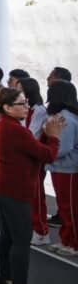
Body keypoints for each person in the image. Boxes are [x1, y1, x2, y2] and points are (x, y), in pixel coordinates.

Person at [0, 87, 65, 284]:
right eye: (21, 104)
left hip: (2, 186)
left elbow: (31, 149)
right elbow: (47, 155)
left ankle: (5, 278)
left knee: (7, 235)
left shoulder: (4, 124)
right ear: (7, 107)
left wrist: (45, 137)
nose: (27, 107)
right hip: (14, 191)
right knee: (22, 240)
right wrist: (54, 137)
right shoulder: (15, 129)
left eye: (26, 102)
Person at [46, 81, 78, 257]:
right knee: (64, 206)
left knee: (69, 207)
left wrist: (43, 150)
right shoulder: (64, 116)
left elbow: (61, 147)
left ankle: (74, 243)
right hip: (61, 167)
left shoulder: (65, 118)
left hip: (68, 168)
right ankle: (66, 239)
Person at [19, 77, 51, 246]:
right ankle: (32, 226)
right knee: (27, 195)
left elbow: (31, 135)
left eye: (20, 89)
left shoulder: (39, 111)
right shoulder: (25, 108)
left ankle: (41, 231)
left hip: (34, 158)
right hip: (24, 156)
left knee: (37, 195)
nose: (17, 92)